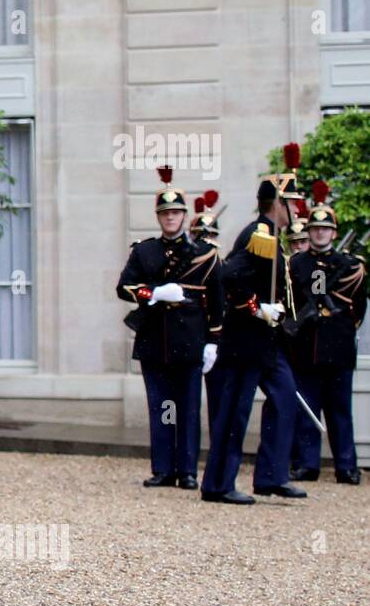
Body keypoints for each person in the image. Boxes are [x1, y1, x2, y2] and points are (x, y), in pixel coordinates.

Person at [200, 151, 307, 504]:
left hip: (269, 341)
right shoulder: (259, 234)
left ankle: (271, 476)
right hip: (246, 338)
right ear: (277, 203)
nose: (298, 209)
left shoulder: (274, 236)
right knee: (234, 410)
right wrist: (255, 307)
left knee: (285, 399)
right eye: (292, 202)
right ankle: (218, 484)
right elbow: (227, 276)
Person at [117, 166, 223, 490]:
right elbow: (124, 288)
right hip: (155, 340)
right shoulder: (145, 250)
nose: (171, 218)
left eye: (176, 213)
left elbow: (217, 300)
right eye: (166, 213)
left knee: (189, 409)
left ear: (183, 215)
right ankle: (163, 467)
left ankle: (188, 470)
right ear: (159, 217)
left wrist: (213, 341)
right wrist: (152, 293)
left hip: (190, 341)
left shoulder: (205, 255)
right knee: (163, 407)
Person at [289, 182, 367, 484]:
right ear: (308, 232)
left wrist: (341, 328)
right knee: (308, 411)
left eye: (325, 229)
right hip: (306, 347)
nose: (320, 233)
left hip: (337, 347)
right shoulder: (296, 264)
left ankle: (346, 466)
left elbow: (357, 309)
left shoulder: (349, 266)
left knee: (339, 412)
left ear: (334, 233)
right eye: (315, 229)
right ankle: (308, 464)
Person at [190, 192, 227, 432]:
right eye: (202, 236)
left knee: (219, 402)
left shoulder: (224, 266)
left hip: (217, 339)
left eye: (212, 236)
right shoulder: (185, 266)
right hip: (189, 336)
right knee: (188, 404)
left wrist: (215, 339)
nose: (208, 241)